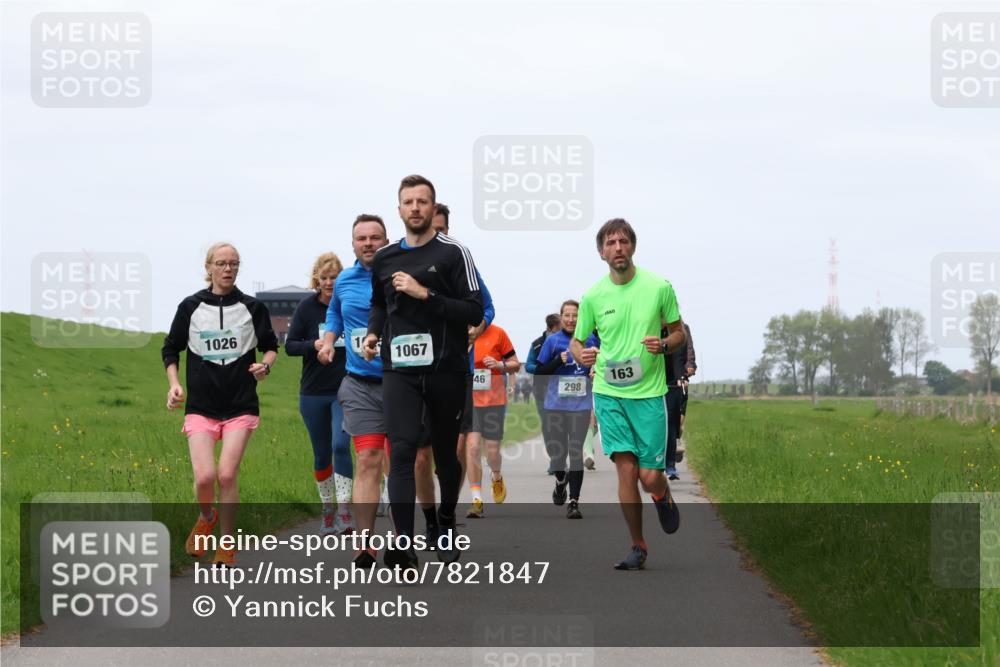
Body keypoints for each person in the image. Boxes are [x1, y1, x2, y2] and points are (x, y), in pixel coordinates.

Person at [365, 175, 484, 570]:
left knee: (446, 458)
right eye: (408, 202)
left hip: (445, 369)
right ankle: (403, 542)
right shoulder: (384, 258)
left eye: (422, 202)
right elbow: (380, 305)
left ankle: (446, 520)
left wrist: (424, 294)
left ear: (433, 209)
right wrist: (371, 335)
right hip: (398, 369)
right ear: (398, 209)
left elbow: (474, 310)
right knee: (400, 451)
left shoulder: (454, 253)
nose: (415, 208)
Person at [569, 219, 686, 571]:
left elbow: (679, 332)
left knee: (649, 476)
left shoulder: (658, 287)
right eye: (610, 242)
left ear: (632, 246)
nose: (617, 247)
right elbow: (577, 340)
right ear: (601, 252)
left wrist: (665, 344)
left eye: (623, 241)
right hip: (608, 392)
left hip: (649, 395)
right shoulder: (593, 296)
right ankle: (637, 545)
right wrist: (581, 354)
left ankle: (661, 494)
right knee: (625, 470)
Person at [163, 242, 278, 567]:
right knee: (204, 478)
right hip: (201, 406)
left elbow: (270, 346)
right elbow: (171, 348)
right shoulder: (190, 307)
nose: (228, 269)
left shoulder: (253, 307)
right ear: (209, 267)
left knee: (226, 475)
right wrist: (174, 385)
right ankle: (207, 517)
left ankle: (226, 545)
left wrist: (264, 366)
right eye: (222, 263)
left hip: (241, 404)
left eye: (234, 264)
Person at [413, 203, 495, 547]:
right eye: (433, 228)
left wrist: (478, 327)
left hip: (456, 366)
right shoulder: (407, 262)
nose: (438, 234)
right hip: (416, 370)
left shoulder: (461, 263)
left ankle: (448, 509)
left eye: (443, 228)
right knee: (421, 453)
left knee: (458, 446)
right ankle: (432, 518)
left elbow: (486, 306)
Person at [317, 215, 389, 568]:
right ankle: (365, 543)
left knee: (410, 461)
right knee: (368, 460)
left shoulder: (400, 275)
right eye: (361, 238)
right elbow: (334, 315)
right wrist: (329, 342)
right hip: (359, 383)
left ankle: (419, 530)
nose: (368, 243)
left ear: (386, 240)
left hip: (401, 382)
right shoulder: (344, 280)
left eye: (375, 237)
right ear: (353, 244)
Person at [286, 252, 354, 535]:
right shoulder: (306, 308)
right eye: (324, 278)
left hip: (345, 388)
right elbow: (290, 346)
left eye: (334, 277)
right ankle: (327, 509)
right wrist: (313, 345)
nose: (329, 283)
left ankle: (345, 512)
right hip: (313, 390)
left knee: (341, 445)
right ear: (316, 279)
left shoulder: (348, 305)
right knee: (321, 452)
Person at [535, 300, 597, 519]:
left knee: (576, 451)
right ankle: (561, 481)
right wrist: (556, 361)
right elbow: (540, 372)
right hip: (555, 406)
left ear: (581, 318)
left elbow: (602, 364)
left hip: (580, 406)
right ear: (561, 318)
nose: (571, 319)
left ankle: (574, 502)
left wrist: (595, 370)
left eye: (575, 316)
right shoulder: (552, 341)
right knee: (559, 456)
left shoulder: (590, 339)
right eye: (567, 315)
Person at [465, 323, 520, 517]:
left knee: (492, 450)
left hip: (493, 399)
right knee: (472, 447)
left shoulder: (497, 333)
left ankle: (496, 476)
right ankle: (476, 499)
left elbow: (515, 364)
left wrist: (499, 365)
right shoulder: (456, 330)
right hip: (468, 399)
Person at [526, 314, 561, 473]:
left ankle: (561, 458)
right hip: (542, 390)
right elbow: (528, 365)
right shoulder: (537, 345)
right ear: (551, 328)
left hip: (563, 390)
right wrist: (542, 369)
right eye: (560, 327)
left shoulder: (569, 342)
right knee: (548, 426)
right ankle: (555, 459)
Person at [663, 322, 696, 480]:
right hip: (651, 381)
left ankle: (670, 465)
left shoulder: (682, 328)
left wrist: (688, 368)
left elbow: (689, 352)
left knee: (671, 422)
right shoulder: (645, 327)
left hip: (675, 381)